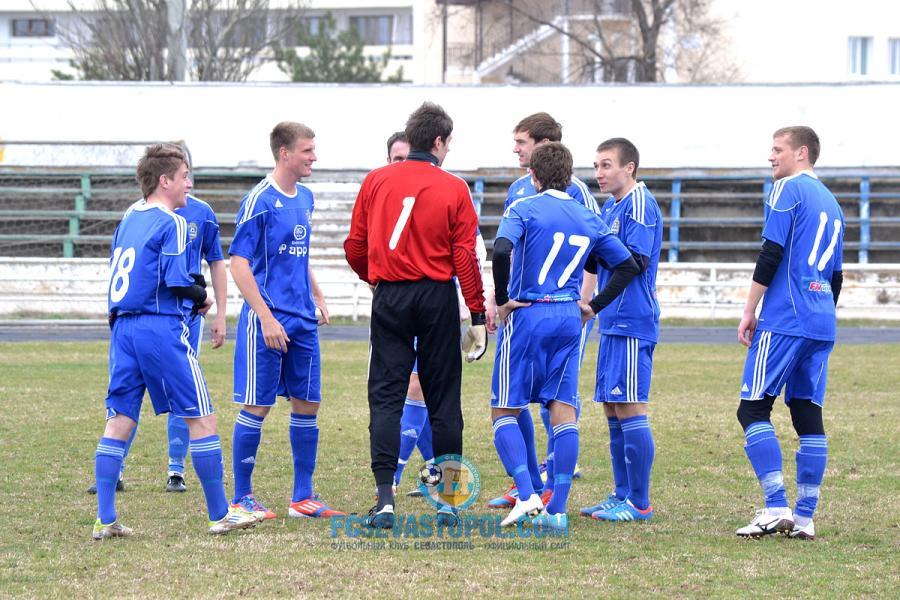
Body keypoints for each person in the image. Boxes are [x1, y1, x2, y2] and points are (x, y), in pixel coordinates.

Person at [92, 143, 257, 539]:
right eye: (184, 177)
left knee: (120, 419)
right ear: (165, 181)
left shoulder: (129, 217)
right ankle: (221, 514)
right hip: (159, 326)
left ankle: (105, 518)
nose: (189, 184)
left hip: (123, 327)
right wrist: (204, 298)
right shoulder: (174, 223)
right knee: (201, 416)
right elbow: (178, 279)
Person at [345, 102, 487, 529]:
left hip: (390, 295)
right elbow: (464, 256)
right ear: (440, 142)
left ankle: (385, 500)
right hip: (435, 297)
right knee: (444, 398)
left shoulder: (376, 179)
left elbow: (354, 244)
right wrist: (476, 313)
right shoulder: (454, 187)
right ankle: (448, 502)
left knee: (386, 397)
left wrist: (376, 279)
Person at [490, 142, 639, 532]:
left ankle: (526, 496)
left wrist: (504, 300)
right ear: (570, 177)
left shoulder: (524, 207)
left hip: (530, 312)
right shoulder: (586, 215)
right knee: (562, 409)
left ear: (534, 177)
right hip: (569, 315)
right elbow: (625, 264)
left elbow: (501, 248)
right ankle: (557, 510)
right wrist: (595, 305)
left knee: (505, 407)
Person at [228, 122, 344, 521]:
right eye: (308, 150)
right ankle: (241, 499)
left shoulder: (306, 198)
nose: (314, 157)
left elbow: (300, 253)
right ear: (284, 154)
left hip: (302, 319)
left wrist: (317, 294)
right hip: (268, 321)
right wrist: (265, 317)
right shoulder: (259, 200)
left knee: (308, 403)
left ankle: (302, 498)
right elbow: (238, 263)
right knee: (256, 405)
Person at [734, 126, 843, 541]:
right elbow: (837, 277)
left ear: (801, 153)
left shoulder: (786, 190)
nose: (770, 157)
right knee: (805, 411)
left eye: (777, 149)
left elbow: (771, 253)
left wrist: (750, 310)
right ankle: (805, 516)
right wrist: (821, 313)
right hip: (821, 320)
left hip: (785, 318)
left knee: (753, 408)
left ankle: (776, 506)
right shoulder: (833, 204)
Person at [488, 112, 596, 510]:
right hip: (519, 308)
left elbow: (589, 254)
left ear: (545, 144)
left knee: (556, 397)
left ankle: (551, 482)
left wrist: (585, 302)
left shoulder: (577, 194)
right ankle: (528, 483)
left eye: (521, 141)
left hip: (559, 307)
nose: (515, 149)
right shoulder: (518, 190)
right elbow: (508, 250)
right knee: (514, 393)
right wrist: (495, 298)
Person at [580, 137, 662, 523]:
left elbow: (636, 264)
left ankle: (639, 502)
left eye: (607, 165)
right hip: (613, 322)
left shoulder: (640, 204)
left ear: (629, 167)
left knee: (630, 405)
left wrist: (593, 305)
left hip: (632, 320)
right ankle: (621, 493)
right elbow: (597, 261)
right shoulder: (610, 207)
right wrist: (585, 303)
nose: (599, 173)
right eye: (596, 165)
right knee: (613, 407)